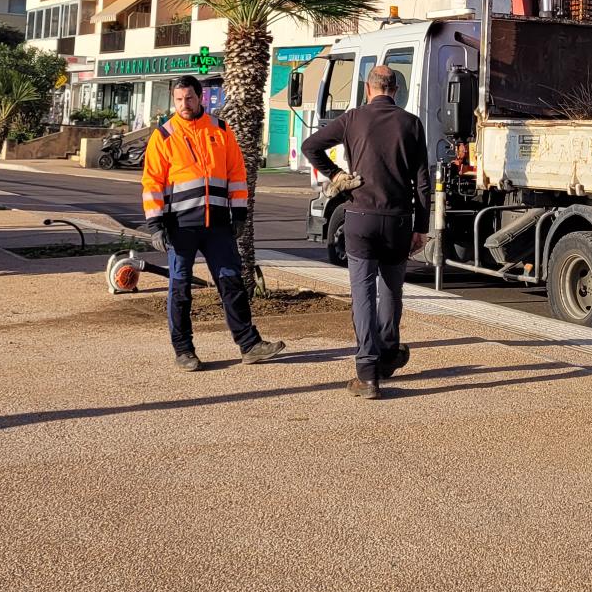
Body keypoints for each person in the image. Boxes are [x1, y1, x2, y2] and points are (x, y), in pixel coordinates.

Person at [302, 64, 430, 400]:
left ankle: (368, 373)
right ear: (395, 90)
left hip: (359, 217)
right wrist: (422, 227)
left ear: (367, 88)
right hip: (399, 219)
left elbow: (311, 146)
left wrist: (336, 175)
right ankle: (388, 353)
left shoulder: (353, 118)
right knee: (391, 290)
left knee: (362, 294)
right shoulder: (411, 123)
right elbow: (423, 182)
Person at [142, 75, 285, 372]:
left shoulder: (220, 130)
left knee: (231, 282)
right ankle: (184, 351)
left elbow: (236, 174)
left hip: (218, 225)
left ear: (201, 98)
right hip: (180, 227)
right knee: (180, 289)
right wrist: (155, 225)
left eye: (190, 98)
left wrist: (240, 215)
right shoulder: (164, 135)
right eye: (179, 99)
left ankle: (249, 345)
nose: (184, 104)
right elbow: (152, 182)